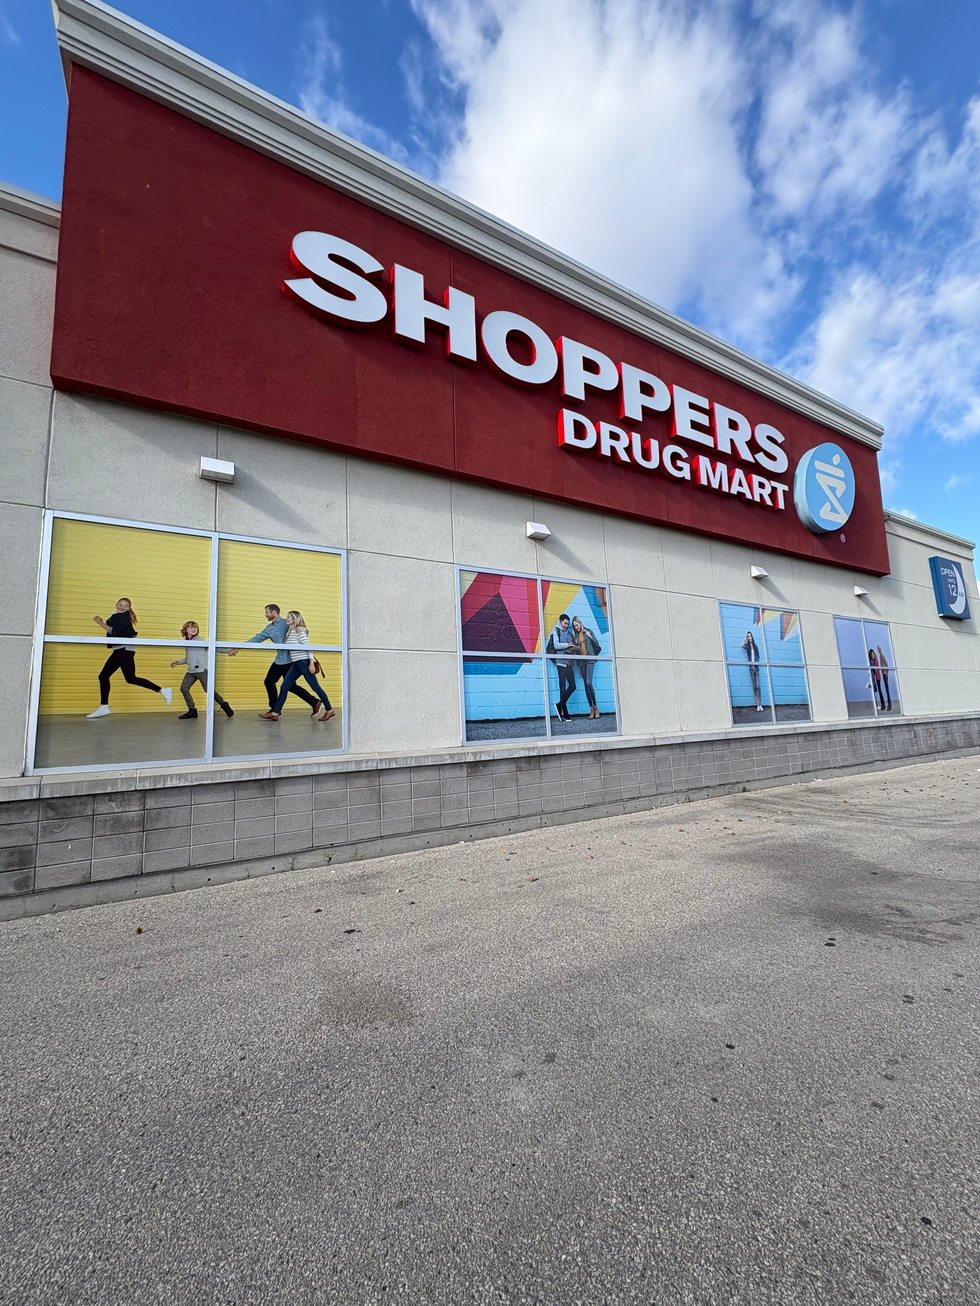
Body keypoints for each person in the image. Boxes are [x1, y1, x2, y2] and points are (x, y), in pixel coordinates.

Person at [86, 598, 172, 719]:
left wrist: (100, 623)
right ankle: (104, 706)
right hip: (119, 650)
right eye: (120, 604)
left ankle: (163, 691)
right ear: (116, 604)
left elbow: (115, 632)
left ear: (129, 608)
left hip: (124, 650)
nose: (122, 607)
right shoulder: (117, 617)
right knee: (104, 676)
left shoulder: (124, 618)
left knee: (130, 678)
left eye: (125, 606)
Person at [233, 603, 320, 715]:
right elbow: (256, 639)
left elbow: (302, 631)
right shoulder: (268, 628)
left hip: (290, 661)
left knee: (291, 686)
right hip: (279, 660)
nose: (265, 615)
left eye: (267, 612)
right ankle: (275, 709)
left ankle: (315, 703)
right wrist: (239, 647)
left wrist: (304, 630)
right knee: (269, 681)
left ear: (274, 612)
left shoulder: (286, 622)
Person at [258, 611, 335, 722]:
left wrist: (311, 663)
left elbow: (308, 647)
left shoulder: (299, 631)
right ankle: (275, 713)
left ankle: (329, 710)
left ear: (294, 619)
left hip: (304, 663)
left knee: (315, 687)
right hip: (295, 664)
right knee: (284, 687)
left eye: (288, 617)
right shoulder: (291, 632)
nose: (286, 619)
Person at [170, 622, 234, 719]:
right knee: (184, 688)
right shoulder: (187, 642)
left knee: (208, 689)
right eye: (190, 628)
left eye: (195, 627)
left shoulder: (199, 640)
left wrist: (227, 651)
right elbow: (188, 658)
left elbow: (213, 646)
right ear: (185, 630)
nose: (193, 629)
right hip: (191, 671)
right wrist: (177, 662)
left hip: (201, 670)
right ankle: (192, 711)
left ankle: (224, 705)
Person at [570, 615, 602, 719]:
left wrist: (590, 637)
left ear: (580, 623)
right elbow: (576, 651)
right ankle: (591, 709)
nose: (576, 627)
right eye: (575, 626)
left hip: (590, 659)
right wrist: (578, 665)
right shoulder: (575, 637)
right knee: (585, 685)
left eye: (577, 625)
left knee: (589, 683)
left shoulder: (588, 631)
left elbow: (597, 644)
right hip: (582, 662)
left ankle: (596, 707)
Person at [547, 613, 576, 721]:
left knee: (573, 686)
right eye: (565, 623)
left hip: (569, 663)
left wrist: (573, 649)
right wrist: (567, 645)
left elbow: (571, 647)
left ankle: (559, 705)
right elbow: (556, 645)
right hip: (561, 663)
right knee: (562, 688)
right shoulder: (557, 631)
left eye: (568, 624)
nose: (566, 626)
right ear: (561, 622)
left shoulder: (570, 634)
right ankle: (565, 713)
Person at [741, 629, 764, 711]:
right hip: (751, 668)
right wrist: (745, 639)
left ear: (752, 637)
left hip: (756, 668)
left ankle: (760, 704)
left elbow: (758, 657)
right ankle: (757, 705)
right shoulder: (747, 646)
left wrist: (758, 665)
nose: (749, 637)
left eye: (750, 636)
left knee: (758, 686)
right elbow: (742, 645)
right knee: (754, 686)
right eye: (748, 636)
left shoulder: (755, 646)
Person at [877, 645, 892, 711]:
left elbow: (886, 664)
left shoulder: (882, 656)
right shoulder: (880, 656)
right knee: (886, 689)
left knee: (887, 689)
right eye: (878, 649)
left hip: (885, 673)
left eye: (879, 649)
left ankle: (889, 705)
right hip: (883, 673)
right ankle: (889, 705)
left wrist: (886, 672)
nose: (879, 650)